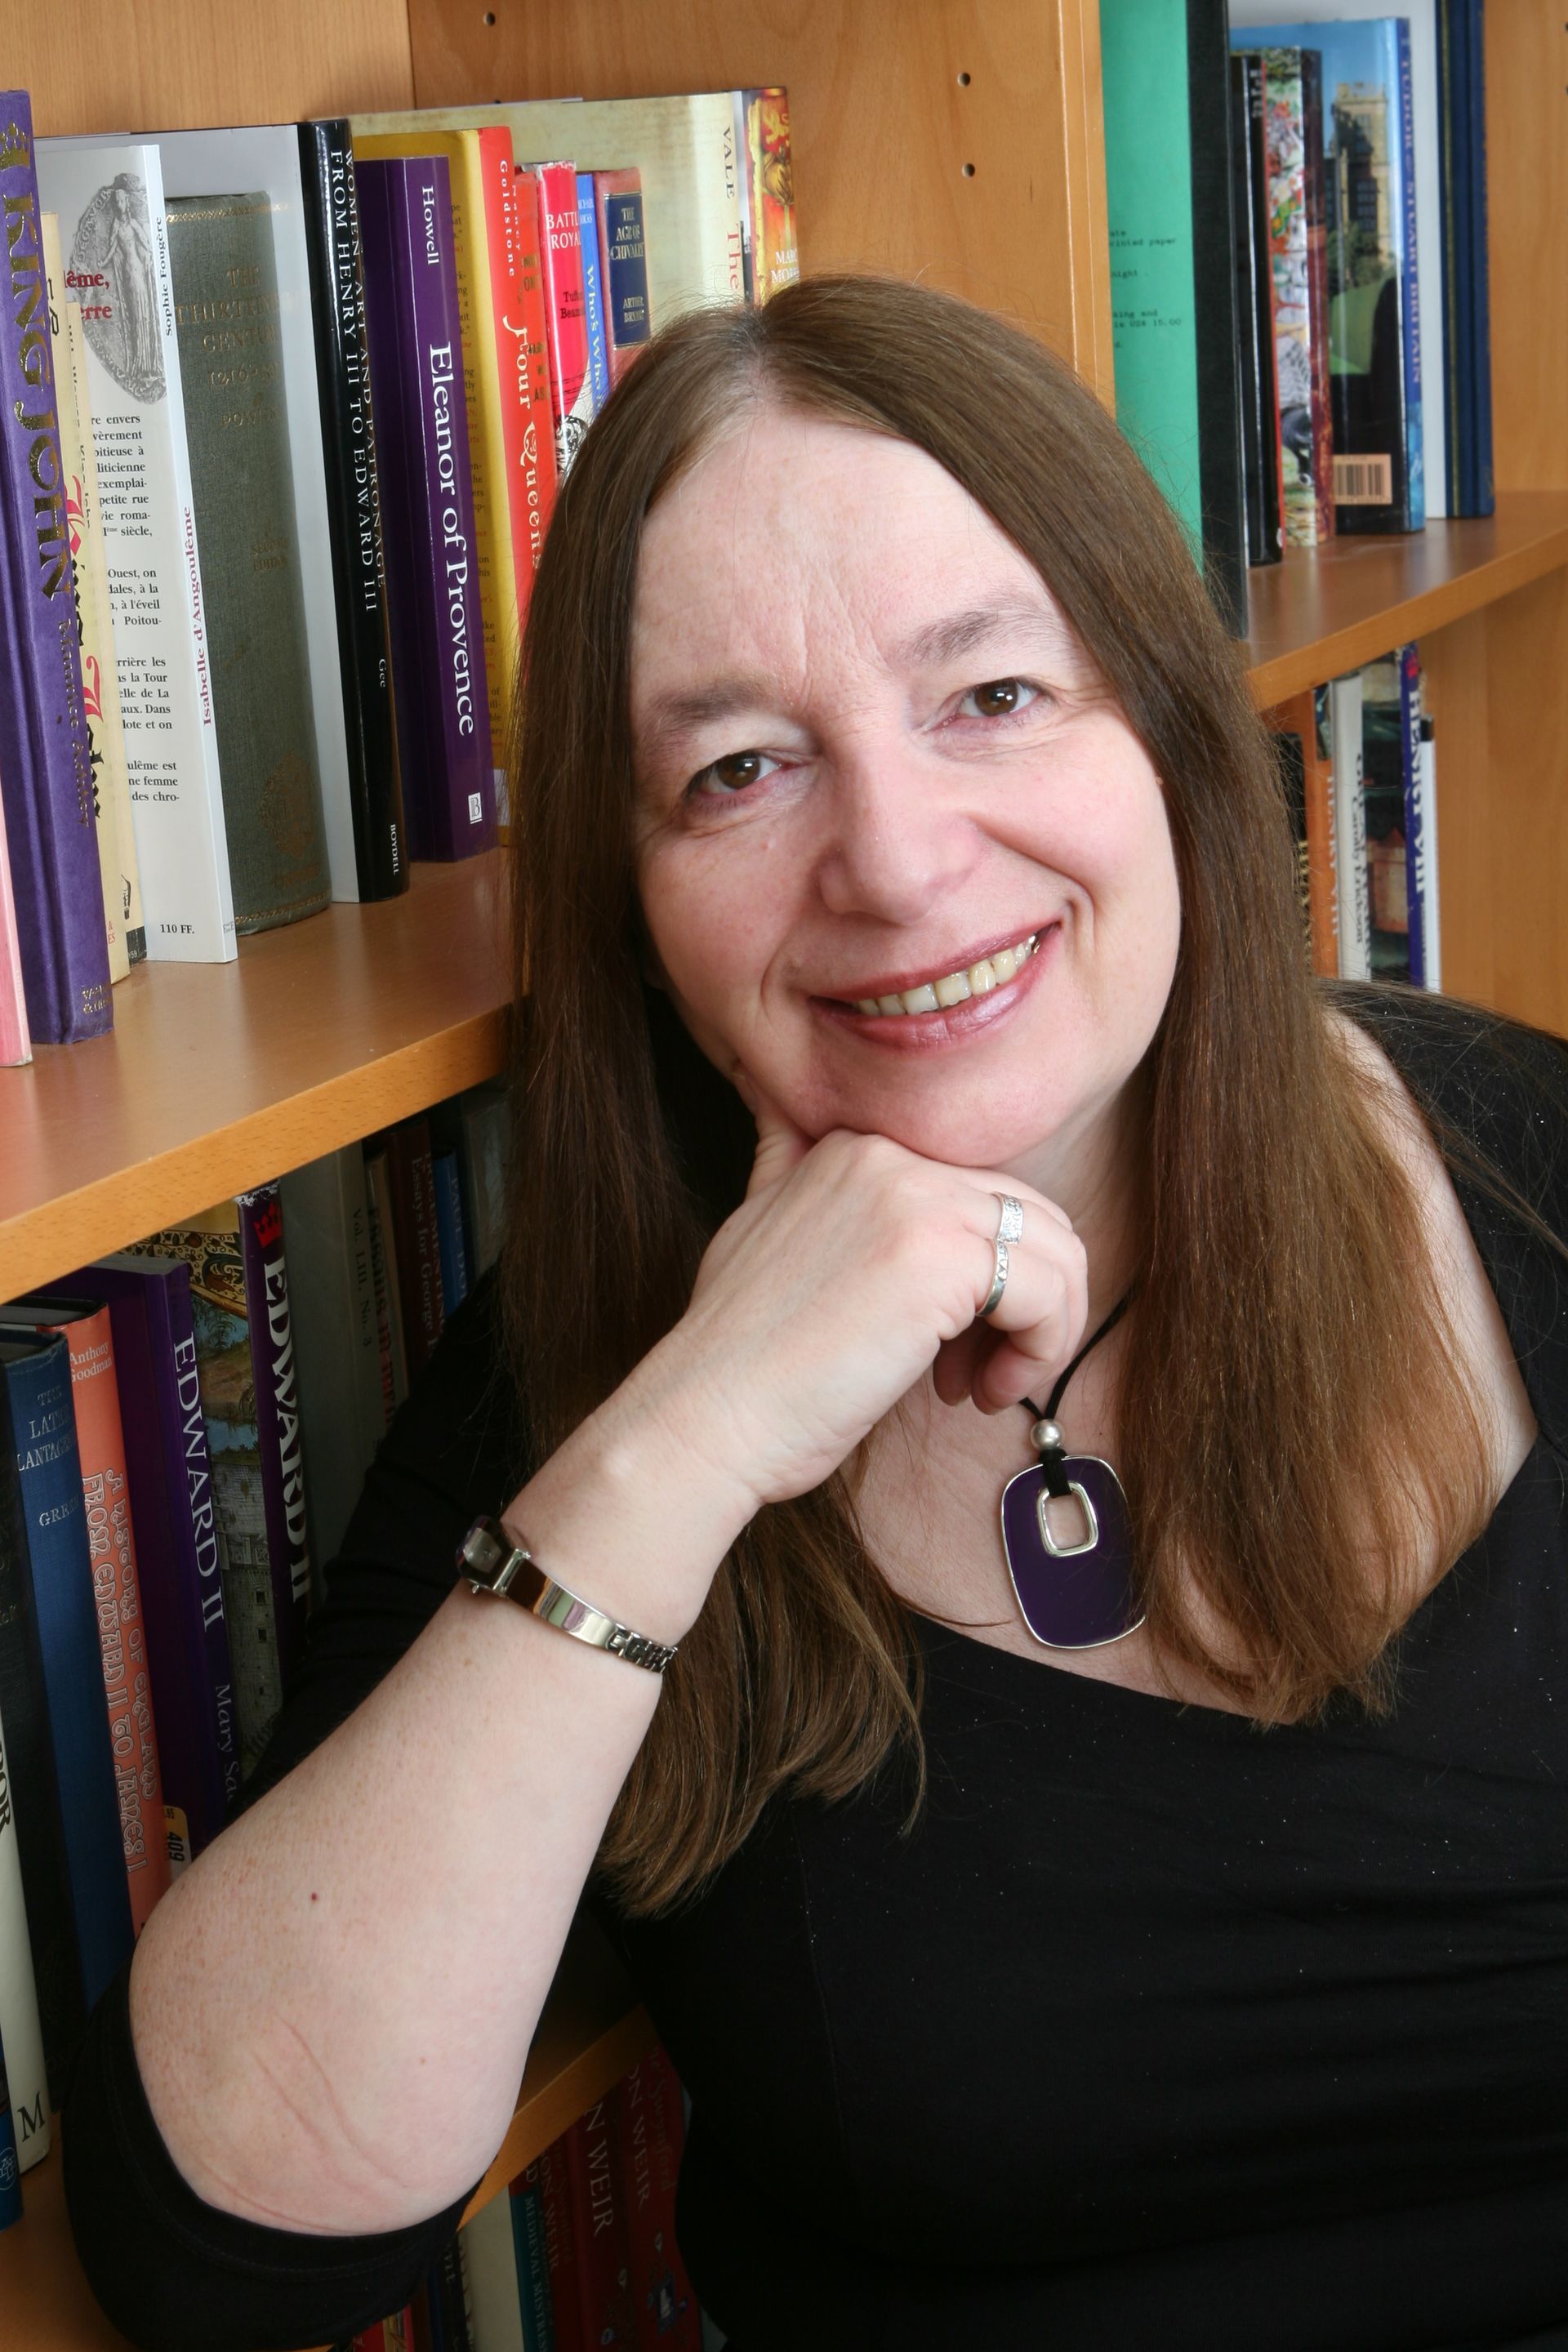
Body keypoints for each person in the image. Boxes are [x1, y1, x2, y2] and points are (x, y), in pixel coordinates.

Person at [63, 277, 1568, 2350]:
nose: (897, 858)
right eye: (746, 769)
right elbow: (220, 2245)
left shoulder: (1533, 1175)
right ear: (636, 900)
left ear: (1175, 734)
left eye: (995, 699)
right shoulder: (599, 1396)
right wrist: (692, 1442)